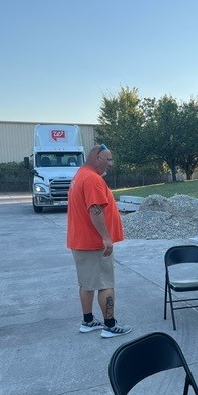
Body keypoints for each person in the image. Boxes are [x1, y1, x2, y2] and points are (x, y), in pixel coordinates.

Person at [66, 144, 132, 338]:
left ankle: (87, 321)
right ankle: (110, 325)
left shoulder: (80, 175)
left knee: (86, 284)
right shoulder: (93, 179)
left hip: (80, 241)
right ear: (96, 158)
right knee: (106, 284)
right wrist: (106, 237)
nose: (110, 164)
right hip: (94, 243)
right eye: (108, 159)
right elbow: (95, 210)